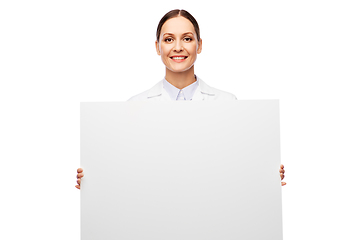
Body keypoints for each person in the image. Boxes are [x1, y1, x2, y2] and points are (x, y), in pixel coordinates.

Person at [75, 9, 286, 189]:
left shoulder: (227, 104)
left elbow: (238, 167)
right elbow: (125, 171)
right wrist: (94, 180)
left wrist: (265, 175)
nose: (178, 47)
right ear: (157, 47)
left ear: (199, 45)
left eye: (187, 38)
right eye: (168, 39)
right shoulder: (135, 107)